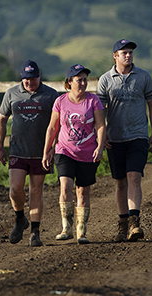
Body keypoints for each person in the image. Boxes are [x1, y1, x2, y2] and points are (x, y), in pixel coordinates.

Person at [97, 39, 152, 242]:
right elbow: (100, 111)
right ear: (115, 56)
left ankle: (135, 223)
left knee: (134, 177)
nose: (128, 55)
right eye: (124, 52)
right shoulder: (105, 80)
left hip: (138, 136)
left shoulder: (144, 76)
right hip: (115, 138)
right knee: (120, 183)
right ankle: (122, 225)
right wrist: (102, 133)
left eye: (130, 52)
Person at [0, 60, 59, 247]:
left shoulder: (50, 95)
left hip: (41, 152)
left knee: (36, 191)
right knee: (15, 189)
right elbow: (1, 120)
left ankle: (35, 232)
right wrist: (0, 146)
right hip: (17, 150)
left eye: (32, 79)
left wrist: (52, 149)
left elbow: (58, 124)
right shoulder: (11, 93)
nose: (29, 83)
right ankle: (20, 218)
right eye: (25, 79)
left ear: (39, 75)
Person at [42, 64, 106, 244]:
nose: (83, 83)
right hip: (64, 150)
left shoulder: (94, 101)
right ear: (69, 82)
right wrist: (47, 151)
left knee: (83, 192)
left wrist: (100, 147)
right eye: (79, 80)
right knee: (65, 186)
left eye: (85, 79)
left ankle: (81, 231)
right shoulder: (60, 101)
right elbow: (52, 127)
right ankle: (66, 228)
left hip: (88, 153)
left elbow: (100, 126)